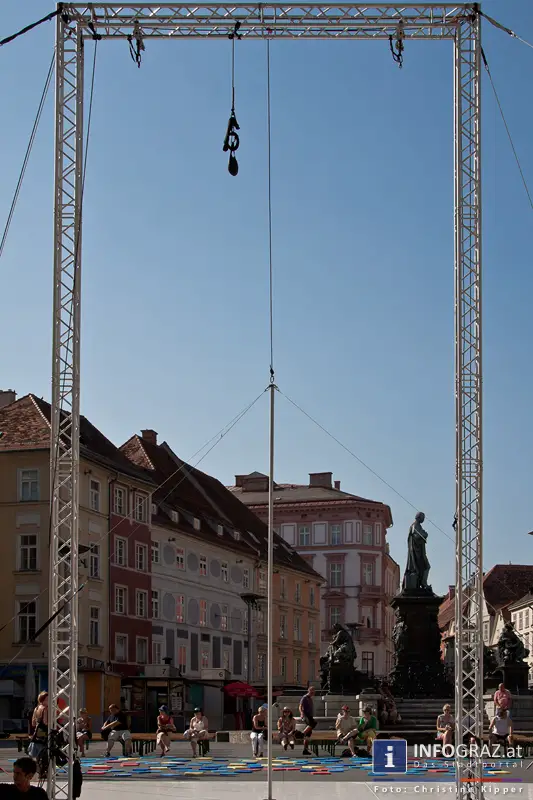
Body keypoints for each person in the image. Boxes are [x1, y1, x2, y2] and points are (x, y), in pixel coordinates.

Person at [28, 693, 48, 764]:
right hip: (44, 731)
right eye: (47, 699)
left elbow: (33, 723)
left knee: (37, 753)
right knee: (44, 752)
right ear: (43, 700)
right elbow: (45, 722)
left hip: (37, 732)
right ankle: (43, 769)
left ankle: (38, 767)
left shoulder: (36, 708)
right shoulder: (45, 709)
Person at [299, 686, 316, 756]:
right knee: (313, 723)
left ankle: (305, 750)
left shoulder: (310, 699)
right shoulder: (305, 698)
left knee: (308, 735)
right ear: (308, 691)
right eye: (311, 692)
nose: (312, 693)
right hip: (306, 715)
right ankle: (301, 734)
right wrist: (302, 714)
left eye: (313, 692)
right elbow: (300, 706)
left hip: (310, 716)